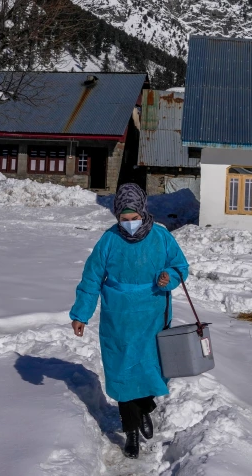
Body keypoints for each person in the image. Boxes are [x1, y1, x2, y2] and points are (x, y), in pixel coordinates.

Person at [70, 183, 190, 460]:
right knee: (122, 370)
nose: (130, 224)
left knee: (149, 368)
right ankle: (131, 431)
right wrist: (81, 314)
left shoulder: (161, 237)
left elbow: (180, 267)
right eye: (124, 220)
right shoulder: (109, 241)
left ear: (143, 212)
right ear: (116, 218)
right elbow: (91, 279)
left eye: (134, 218)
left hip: (152, 314)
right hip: (118, 318)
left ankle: (146, 406)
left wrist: (168, 277)